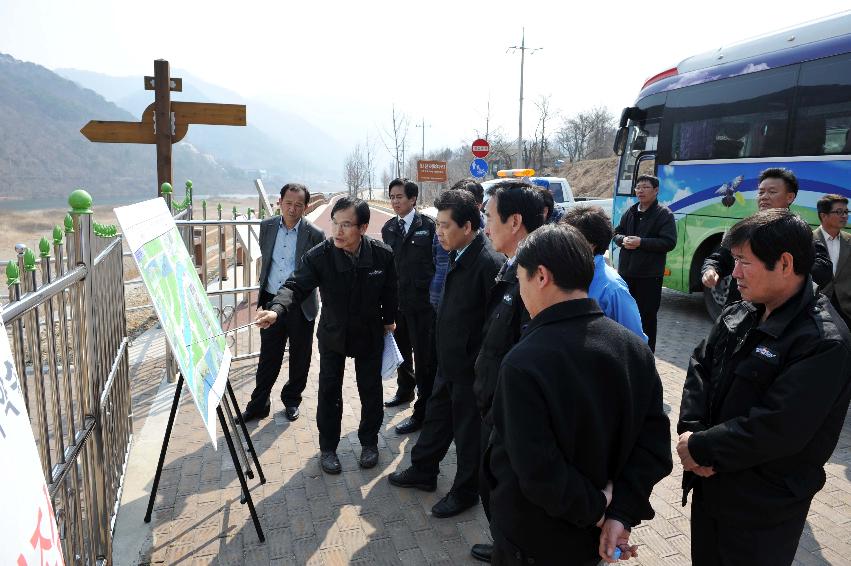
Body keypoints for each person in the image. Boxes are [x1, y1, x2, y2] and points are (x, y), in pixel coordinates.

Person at [485, 224, 672, 565]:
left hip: (535, 540)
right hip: (591, 540)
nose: (520, 289)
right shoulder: (632, 347)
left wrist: (601, 511)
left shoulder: (525, 361)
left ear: (541, 276)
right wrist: (619, 514)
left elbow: (539, 470)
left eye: (521, 279)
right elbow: (653, 447)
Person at [678, 209, 851, 566]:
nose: (734, 272)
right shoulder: (740, 311)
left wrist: (702, 446)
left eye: (744, 262)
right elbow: (700, 367)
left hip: (762, 508)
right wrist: (692, 434)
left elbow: (778, 427)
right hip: (711, 483)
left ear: (785, 264)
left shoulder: (823, 341)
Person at [255, 197, 397, 474]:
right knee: (329, 391)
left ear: (363, 227)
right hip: (334, 333)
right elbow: (295, 286)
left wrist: (389, 319)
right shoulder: (319, 256)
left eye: (346, 225)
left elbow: (391, 290)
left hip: (369, 332)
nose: (338, 231)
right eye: (335, 223)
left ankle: (369, 443)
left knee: (370, 390)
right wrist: (276, 310)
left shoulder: (382, 255)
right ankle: (328, 448)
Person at [388, 189, 505, 519]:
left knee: (469, 435)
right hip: (448, 361)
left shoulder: (487, 263)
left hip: (471, 369)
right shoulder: (458, 252)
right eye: (437, 224)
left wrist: (477, 365)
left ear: (467, 226)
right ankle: (423, 470)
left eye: (445, 226)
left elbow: (492, 327)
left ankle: (466, 491)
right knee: (437, 418)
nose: (438, 232)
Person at [470, 180, 545, 563]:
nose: (485, 227)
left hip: (511, 420)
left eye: (488, 217)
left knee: (509, 500)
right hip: (494, 411)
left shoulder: (536, 280)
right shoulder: (511, 271)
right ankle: (503, 545)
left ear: (514, 221)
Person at [241, 183, 325, 423]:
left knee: (300, 357)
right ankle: (259, 404)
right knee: (269, 356)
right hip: (270, 300)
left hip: (301, 304)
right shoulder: (266, 226)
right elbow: (266, 260)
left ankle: (291, 400)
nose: (292, 209)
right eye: (288, 203)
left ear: (306, 207)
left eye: (299, 205)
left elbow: (315, 274)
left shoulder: (314, 234)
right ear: (279, 202)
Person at [702, 167, 833, 308]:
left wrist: (778, 280)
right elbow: (719, 258)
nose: (764, 197)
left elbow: (823, 269)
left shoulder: (799, 232)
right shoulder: (746, 229)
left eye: (772, 192)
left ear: (790, 197)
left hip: (781, 313)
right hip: (740, 311)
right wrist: (710, 270)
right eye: (761, 192)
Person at [381, 178, 437, 435]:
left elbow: (438, 263)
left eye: (399, 197)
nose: (394, 201)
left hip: (423, 305)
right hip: (398, 303)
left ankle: (424, 409)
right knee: (401, 351)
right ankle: (405, 391)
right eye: (392, 197)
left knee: (424, 357)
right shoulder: (388, 228)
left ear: (413, 199)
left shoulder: (429, 227)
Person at [562, 205, 647, 341]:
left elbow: (636, 341)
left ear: (591, 245)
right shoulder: (560, 275)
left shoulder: (612, 288)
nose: (562, 245)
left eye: (568, 239)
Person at [613, 174, 676, 351]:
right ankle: (625, 351)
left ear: (656, 191)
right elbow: (616, 232)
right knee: (624, 315)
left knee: (646, 318)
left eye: (645, 187)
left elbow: (669, 242)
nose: (640, 190)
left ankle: (647, 355)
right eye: (638, 187)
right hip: (625, 274)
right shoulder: (631, 211)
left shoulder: (664, 215)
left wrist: (641, 242)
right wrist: (622, 240)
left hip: (649, 276)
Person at [813, 194, 851, 326]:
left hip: (846, 308)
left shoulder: (849, 240)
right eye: (839, 212)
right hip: (817, 306)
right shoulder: (808, 239)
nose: (844, 216)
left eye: (846, 212)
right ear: (823, 215)